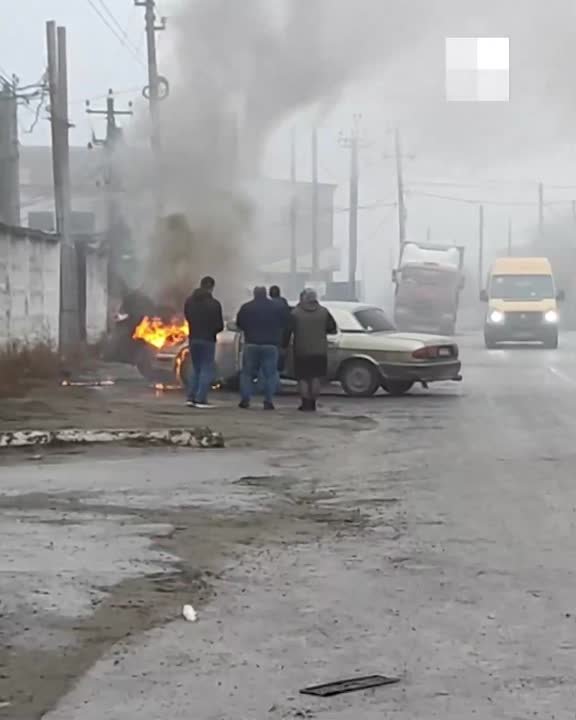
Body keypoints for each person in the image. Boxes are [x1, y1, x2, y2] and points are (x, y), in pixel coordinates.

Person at [236, 286, 288, 410]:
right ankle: (268, 401)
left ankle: (245, 399)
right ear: (266, 294)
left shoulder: (246, 307)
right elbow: (285, 323)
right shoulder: (277, 308)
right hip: (270, 345)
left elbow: (239, 324)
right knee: (270, 374)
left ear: (254, 294)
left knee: (247, 373)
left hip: (251, 344)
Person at [290, 288, 337, 412]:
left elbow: (288, 330)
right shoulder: (324, 312)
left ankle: (305, 403)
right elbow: (332, 329)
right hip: (320, 350)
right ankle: (313, 403)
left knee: (303, 378)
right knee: (315, 377)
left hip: (301, 350)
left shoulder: (295, 313)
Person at [183, 276, 224, 409]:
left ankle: (191, 397)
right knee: (206, 369)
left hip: (193, 338)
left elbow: (187, 317)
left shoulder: (189, 301)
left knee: (195, 368)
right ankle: (201, 399)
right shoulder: (214, 304)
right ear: (211, 287)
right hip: (208, 340)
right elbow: (219, 325)